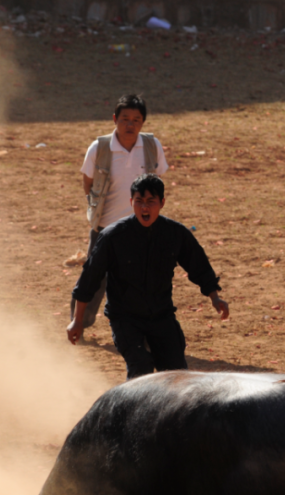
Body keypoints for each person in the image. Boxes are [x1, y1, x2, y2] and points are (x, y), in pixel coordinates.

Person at [67, 174, 230, 380]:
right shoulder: (112, 237)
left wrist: (214, 297)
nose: (145, 208)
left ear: (162, 203)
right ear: (131, 202)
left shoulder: (175, 234)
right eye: (139, 202)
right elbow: (89, 279)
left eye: (151, 202)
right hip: (125, 319)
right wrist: (77, 321)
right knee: (140, 368)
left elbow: (199, 266)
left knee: (176, 374)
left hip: (162, 316)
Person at [73, 94, 169, 339]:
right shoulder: (100, 148)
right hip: (105, 227)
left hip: (141, 227)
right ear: (115, 119)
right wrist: (96, 211)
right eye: (125, 118)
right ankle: (79, 324)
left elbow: (156, 180)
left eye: (136, 120)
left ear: (143, 123)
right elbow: (88, 182)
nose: (130, 124)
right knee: (94, 280)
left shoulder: (151, 146)